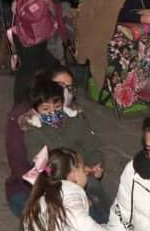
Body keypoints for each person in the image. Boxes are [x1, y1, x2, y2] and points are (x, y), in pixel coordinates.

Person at [18, 79, 107, 222]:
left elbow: (92, 147)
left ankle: (106, 219)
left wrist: (95, 165)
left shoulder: (76, 121)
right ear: (35, 111)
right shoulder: (33, 132)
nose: (53, 112)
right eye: (46, 109)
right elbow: (40, 164)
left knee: (94, 188)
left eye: (57, 107)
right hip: (55, 182)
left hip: (83, 172)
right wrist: (70, 174)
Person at [21, 147, 122, 231]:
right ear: (73, 174)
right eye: (82, 169)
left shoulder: (42, 200)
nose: (85, 172)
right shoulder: (70, 192)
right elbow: (80, 224)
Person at [5, 66, 75, 217]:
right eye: (61, 86)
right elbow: (20, 166)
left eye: (69, 87)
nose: (65, 92)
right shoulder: (21, 119)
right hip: (30, 189)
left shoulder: (70, 112)